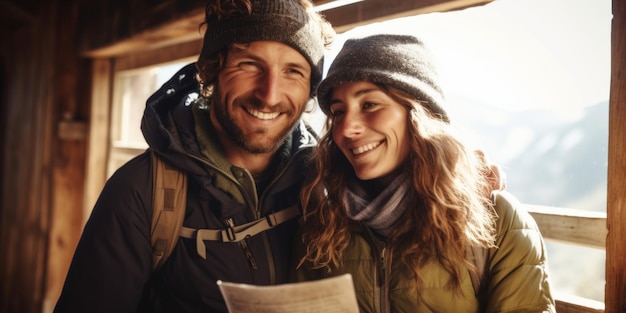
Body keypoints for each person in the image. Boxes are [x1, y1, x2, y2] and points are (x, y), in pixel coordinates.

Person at [54, 0, 335, 312]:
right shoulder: (141, 191)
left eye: (292, 71)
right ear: (211, 71)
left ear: (311, 88)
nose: (269, 95)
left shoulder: (328, 184)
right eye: (249, 65)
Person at [293, 34, 556, 312]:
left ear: (421, 114)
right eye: (338, 112)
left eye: (370, 105)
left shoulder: (495, 220)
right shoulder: (321, 221)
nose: (346, 129)